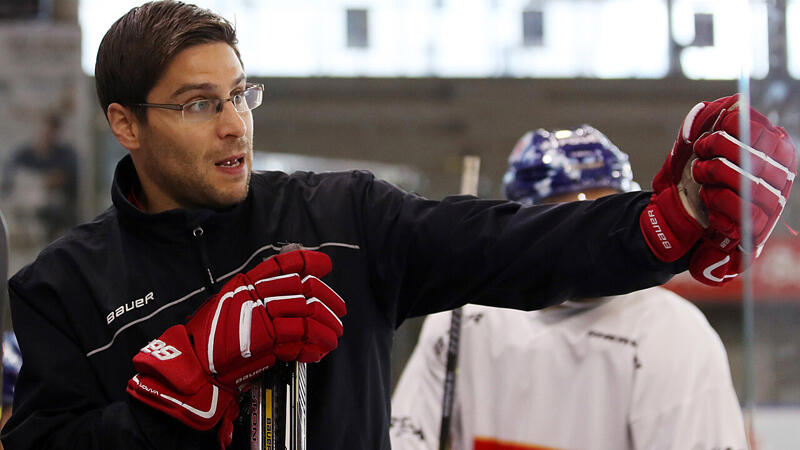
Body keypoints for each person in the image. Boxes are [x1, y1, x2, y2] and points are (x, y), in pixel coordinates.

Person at [1, 2, 794, 449]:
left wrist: (669, 218)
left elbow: (513, 245)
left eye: (241, 94)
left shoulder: (341, 218)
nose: (235, 123)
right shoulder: (62, 285)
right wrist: (175, 395)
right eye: (200, 104)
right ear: (126, 123)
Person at [389, 126, 748, 450]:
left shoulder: (673, 334)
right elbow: (406, 438)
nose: (596, 243)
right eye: (571, 222)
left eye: (607, 215)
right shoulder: (462, 319)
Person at [1, 113, 78, 244]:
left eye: (49, 132)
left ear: (56, 133)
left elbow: (60, 180)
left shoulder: (65, 155)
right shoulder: (23, 154)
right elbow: (10, 180)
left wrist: (34, 182)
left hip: (54, 212)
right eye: (43, 131)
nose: (45, 135)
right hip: (24, 207)